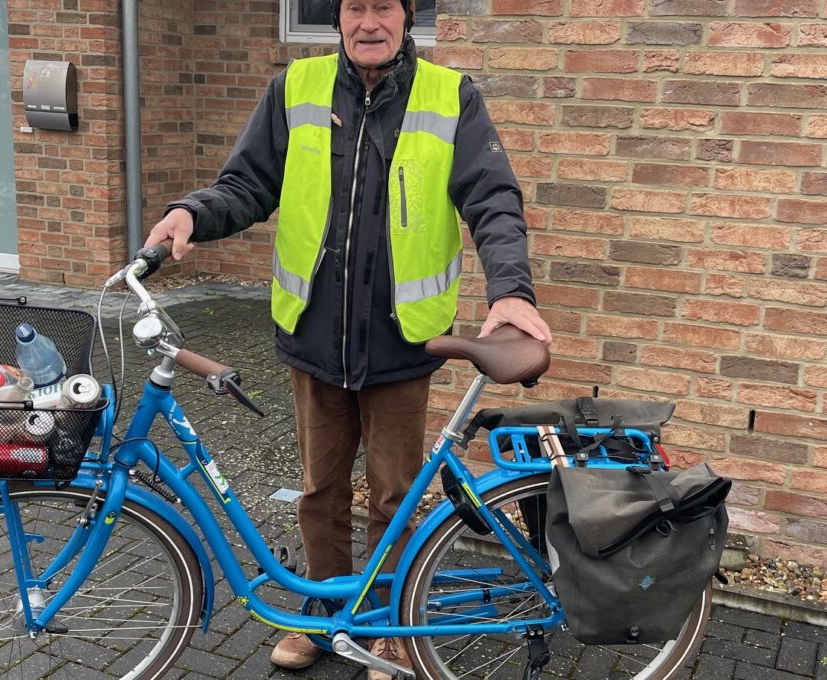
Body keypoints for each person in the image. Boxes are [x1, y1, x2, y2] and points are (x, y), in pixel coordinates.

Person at [143, 0, 549, 676]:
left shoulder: (452, 96)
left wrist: (511, 288)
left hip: (402, 344)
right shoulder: (294, 89)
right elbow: (247, 185)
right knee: (319, 492)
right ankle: (326, 623)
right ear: (337, 17)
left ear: (407, 14)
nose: (368, 22)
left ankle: (392, 629)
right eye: (354, 7)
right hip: (316, 336)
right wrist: (192, 211)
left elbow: (493, 200)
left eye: (382, 7)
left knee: (393, 497)